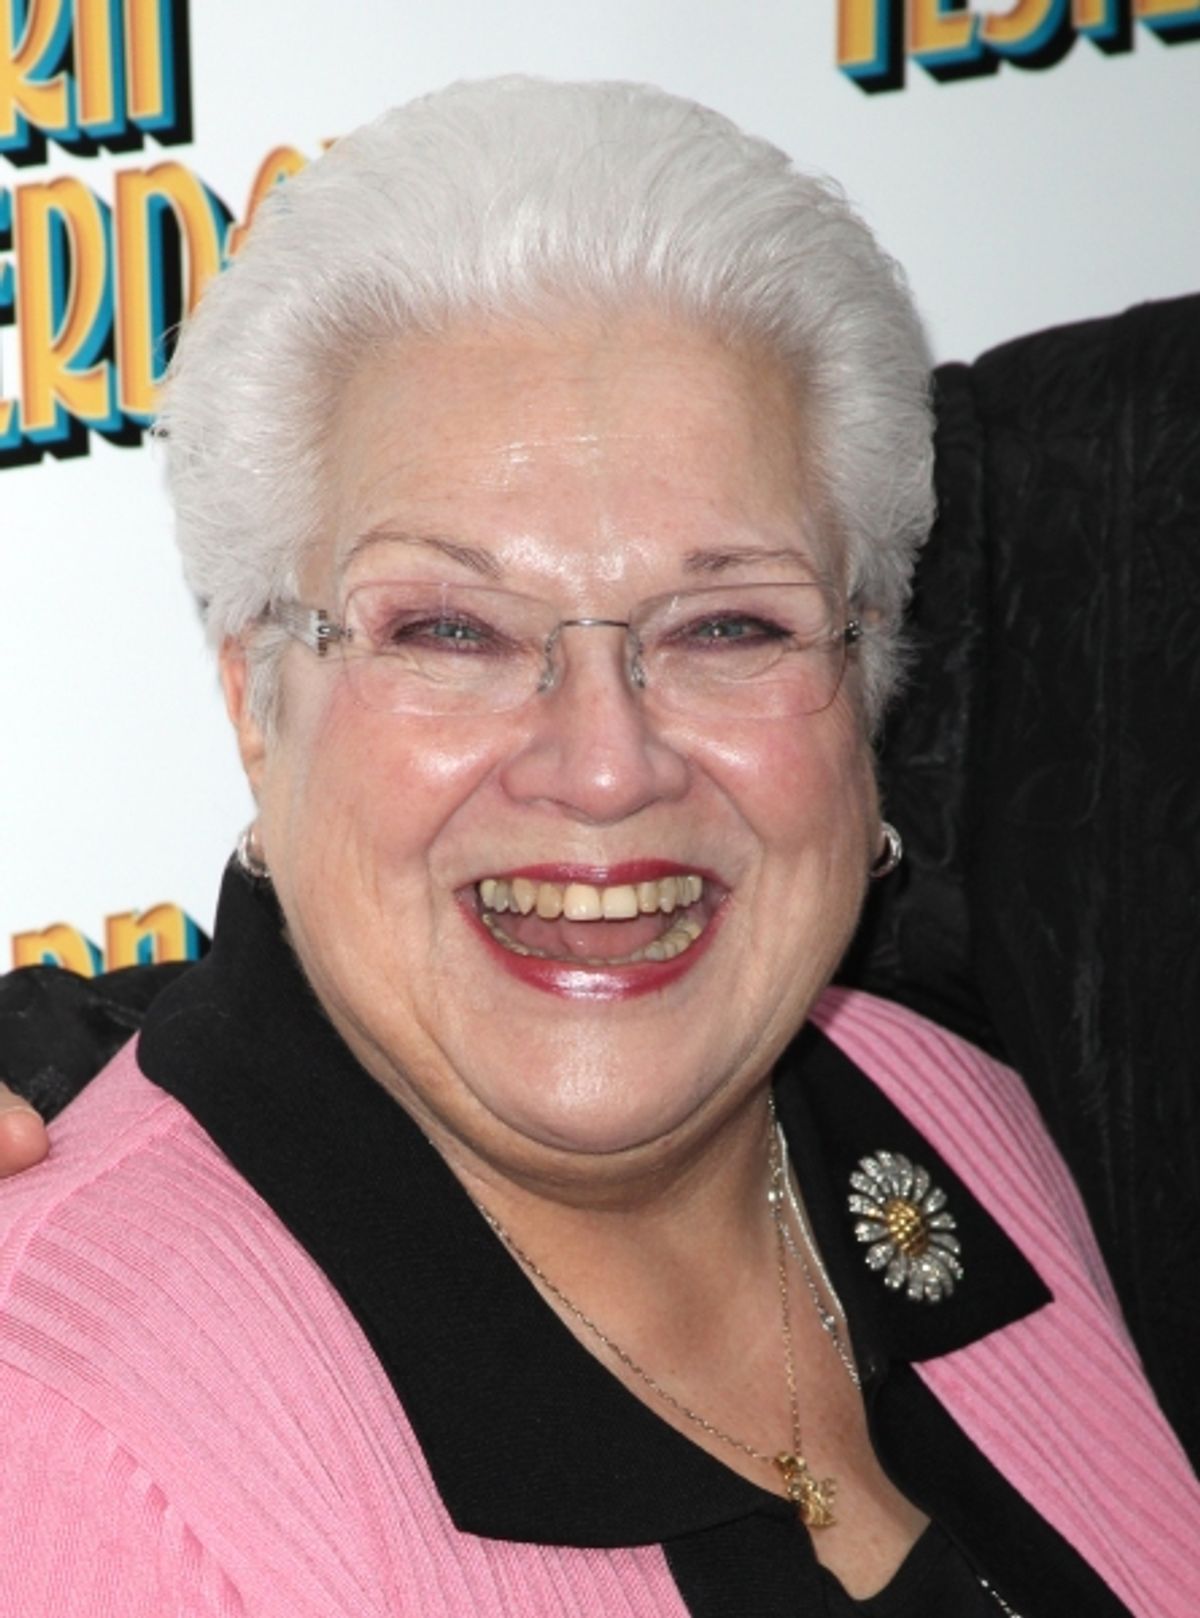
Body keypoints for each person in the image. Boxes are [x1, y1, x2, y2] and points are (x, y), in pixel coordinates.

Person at [0, 78, 1195, 1618]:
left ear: (870, 672)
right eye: (450, 628)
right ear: (253, 694)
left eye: (727, 625)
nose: (609, 762)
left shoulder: (961, 1115)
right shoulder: (70, 1438)